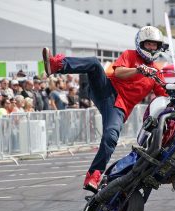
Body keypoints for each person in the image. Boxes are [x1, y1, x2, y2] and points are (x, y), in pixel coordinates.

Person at [42, 26, 167, 192]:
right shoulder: (130, 55)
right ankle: (56, 65)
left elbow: (165, 93)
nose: (151, 48)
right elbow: (119, 73)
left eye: (154, 45)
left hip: (119, 108)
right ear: (140, 44)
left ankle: (93, 176)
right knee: (94, 62)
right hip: (107, 91)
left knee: (111, 136)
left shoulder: (157, 72)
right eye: (148, 44)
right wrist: (138, 70)